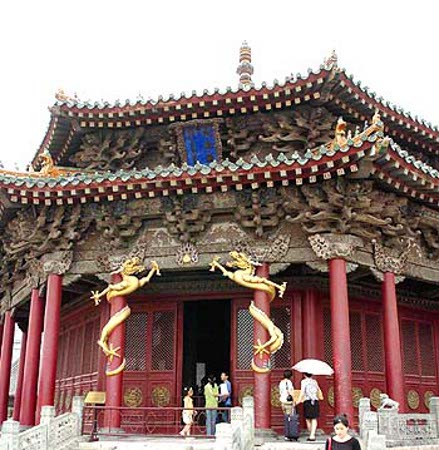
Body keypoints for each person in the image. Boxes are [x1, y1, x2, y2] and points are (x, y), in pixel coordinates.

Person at [298, 372, 322, 441]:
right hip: (315, 401)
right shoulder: (314, 382)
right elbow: (318, 390)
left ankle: (311, 434)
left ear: (304, 375)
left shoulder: (304, 382)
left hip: (308, 401)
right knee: (314, 418)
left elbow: (302, 392)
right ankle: (312, 434)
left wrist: (298, 400)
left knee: (308, 418)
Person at [278, 369, 297, 441]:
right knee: (290, 418)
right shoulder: (289, 382)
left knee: (286, 418)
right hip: (289, 402)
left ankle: (287, 434)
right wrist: (294, 401)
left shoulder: (281, 382)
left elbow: (280, 392)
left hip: (283, 401)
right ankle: (290, 434)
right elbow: (291, 392)